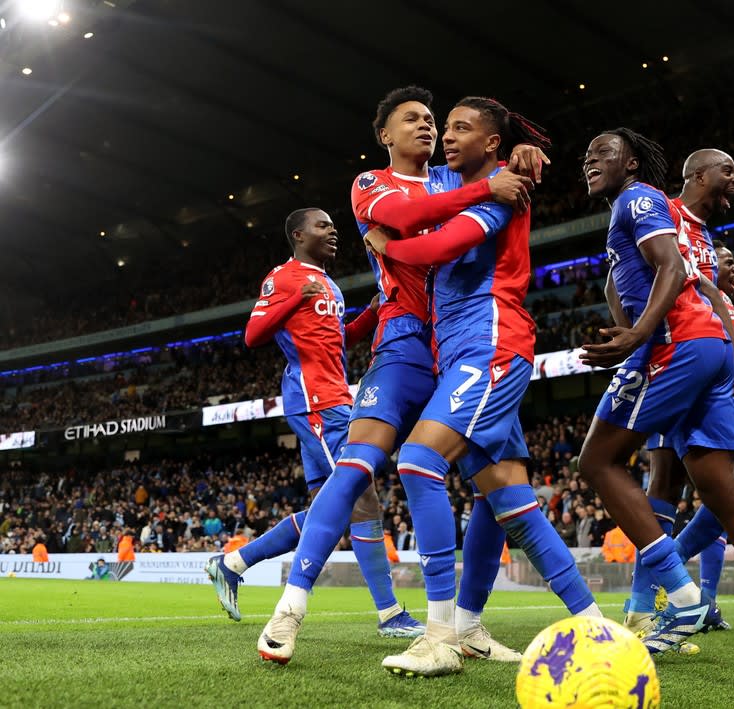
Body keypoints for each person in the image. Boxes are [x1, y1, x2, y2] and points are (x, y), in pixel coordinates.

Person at [255, 87, 551, 668]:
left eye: (432, 120)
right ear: (385, 135)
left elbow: (490, 169)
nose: (427, 126)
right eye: (411, 119)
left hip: (465, 343)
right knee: (356, 467)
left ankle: (465, 625)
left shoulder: (451, 176)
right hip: (404, 341)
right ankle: (289, 609)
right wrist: (486, 186)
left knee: (496, 483)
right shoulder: (372, 184)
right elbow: (404, 217)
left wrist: (523, 152)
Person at [363, 96, 601, 677]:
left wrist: (388, 247)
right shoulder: (453, 178)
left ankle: (440, 634)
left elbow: (435, 246)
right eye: (443, 127)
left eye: (461, 128)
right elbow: (407, 197)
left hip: (491, 338)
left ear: (491, 143)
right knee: (509, 501)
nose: (445, 136)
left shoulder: (505, 184)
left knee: (419, 461)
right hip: (462, 349)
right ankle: (596, 626)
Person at [576, 128, 734, 673]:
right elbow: (692, 289)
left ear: (634, 164)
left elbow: (680, 279)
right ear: (695, 177)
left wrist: (636, 338)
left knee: (597, 462)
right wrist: (731, 358)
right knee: (719, 486)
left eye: (602, 153)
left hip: (677, 349)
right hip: (701, 350)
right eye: (727, 171)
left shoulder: (642, 201)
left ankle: (681, 599)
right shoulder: (673, 217)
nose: (589, 162)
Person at [205, 206, 424, 640]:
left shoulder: (328, 284)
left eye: (333, 225)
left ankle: (232, 563)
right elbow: (252, 335)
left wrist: (374, 313)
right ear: (298, 235)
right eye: (323, 225)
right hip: (316, 401)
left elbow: (340, 341)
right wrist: (294, 296)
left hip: (334, 396)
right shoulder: (284, 277)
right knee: (363, 498)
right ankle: (389, 613)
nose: (333, 231)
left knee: (333, 507)